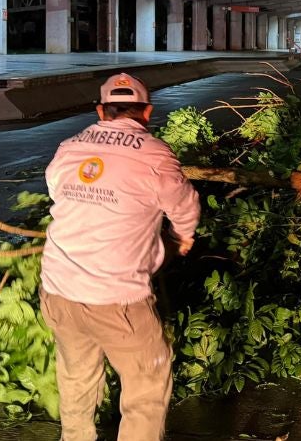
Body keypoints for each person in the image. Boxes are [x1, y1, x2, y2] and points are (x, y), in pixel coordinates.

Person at [39, 73, 200, 441]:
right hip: (118, 299)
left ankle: (74, 437)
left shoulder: (68, 148)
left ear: (101, 111)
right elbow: (185, 207)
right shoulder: (155, 154)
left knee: (76, 374)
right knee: (147, 381)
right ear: (147, 112)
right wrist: (181, 238)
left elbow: (56, 193)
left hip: (58, 289)